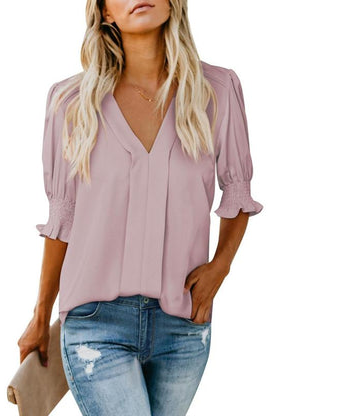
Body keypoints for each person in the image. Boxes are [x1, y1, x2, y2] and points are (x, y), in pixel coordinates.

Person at [18, 0, 264, 414]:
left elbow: (238, 191)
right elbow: (63, 219)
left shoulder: (216, 91)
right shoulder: (70, 103)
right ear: (105, 13)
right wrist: (41, 315)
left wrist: (220, 267)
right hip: (95, 323)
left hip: (183, 325)